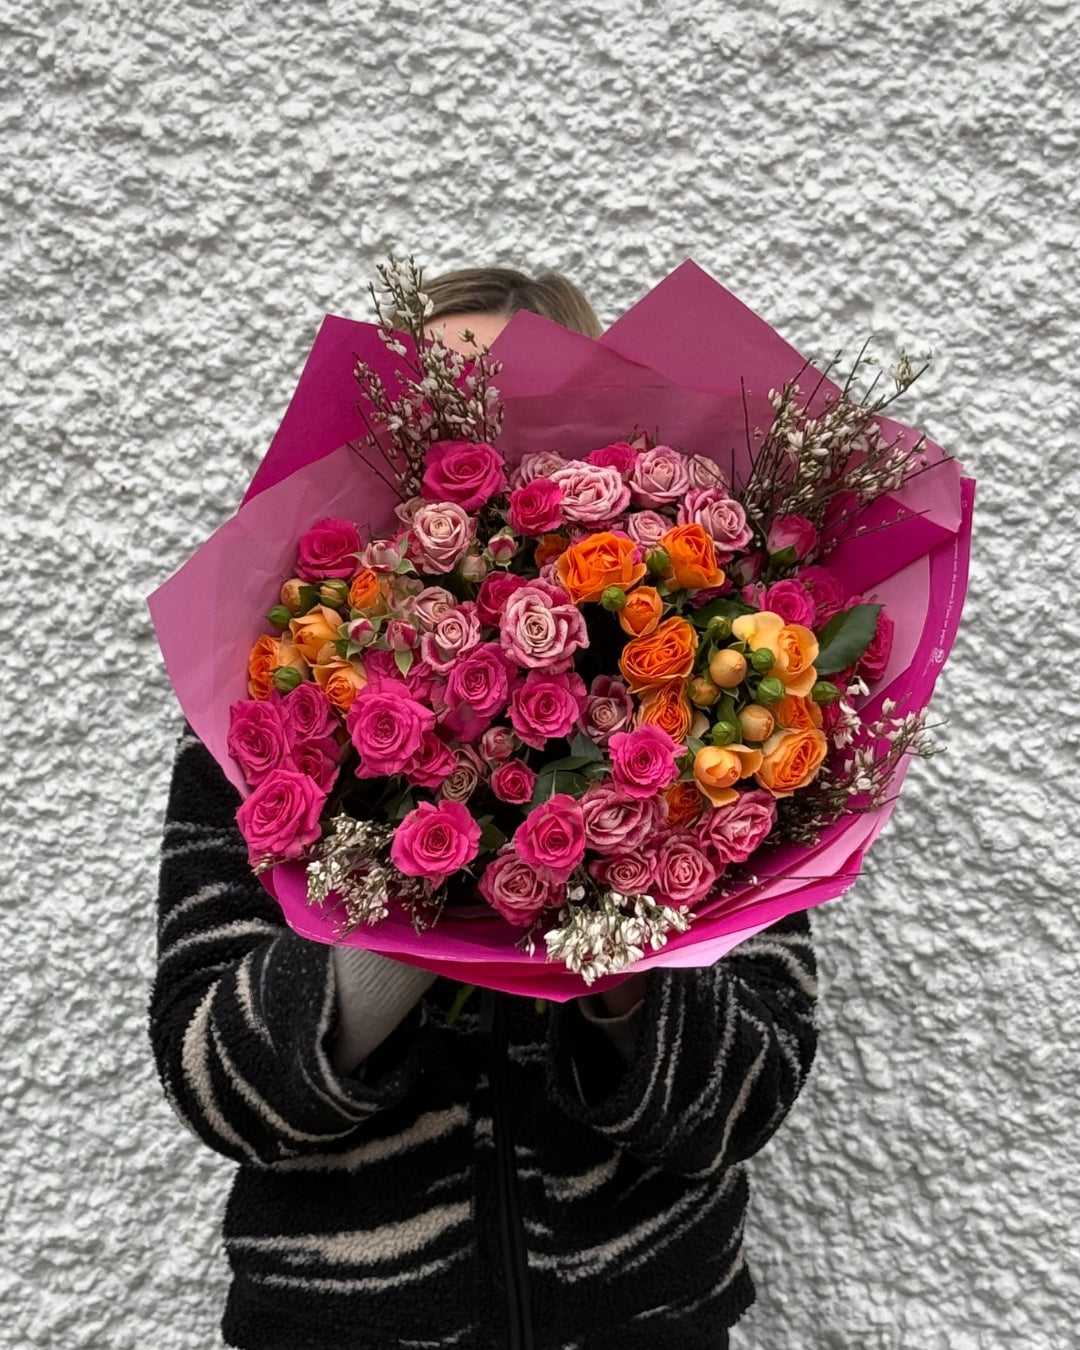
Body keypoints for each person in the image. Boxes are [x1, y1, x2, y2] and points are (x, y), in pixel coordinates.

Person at [148, 265, 820, 1350]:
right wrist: (419, 875)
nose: (462, 455)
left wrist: (615, 881)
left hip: (641, 1322)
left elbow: (748, 1096)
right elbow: (214, 1082)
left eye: (505, 410)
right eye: (434, 413)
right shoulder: (259, 717)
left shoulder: (712, 733)